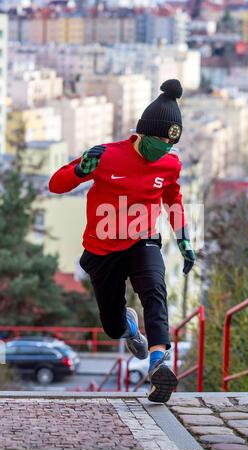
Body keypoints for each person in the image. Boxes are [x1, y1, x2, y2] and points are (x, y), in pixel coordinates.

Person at [48, 78, 196, 403]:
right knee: (112, 326)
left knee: (155, 290)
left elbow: (173, 201)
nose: (162, 147)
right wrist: (80, 169)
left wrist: (184, 240)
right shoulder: (106, 155)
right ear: (142, 132)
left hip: (143, 239)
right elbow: (55, 185)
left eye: (169, 143)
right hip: (103, 248)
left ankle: (159, 364)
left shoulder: (170, 163)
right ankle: (129, 327)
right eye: (157, 139)